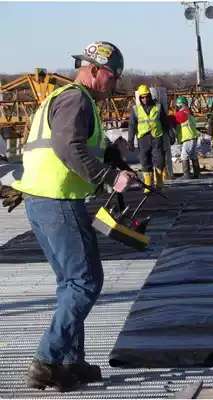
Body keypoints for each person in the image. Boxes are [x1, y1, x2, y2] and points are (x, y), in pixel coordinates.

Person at [10, 41, 136, 392]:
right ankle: (47, 360)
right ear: (95, 70)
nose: (114, 85)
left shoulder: (64, 98)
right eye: (113, 77)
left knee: (70, 283)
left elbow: (69, 143)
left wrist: (111, 155)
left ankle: (69, 362)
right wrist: (111, 178)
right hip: (59, 201)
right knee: (85, 282)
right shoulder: (76, 98)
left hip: (42, 201)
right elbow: (68, 147)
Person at [127, 84, 171, 192]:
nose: (145, 99)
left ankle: (159, 182)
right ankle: (148, 185)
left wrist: (170, 135)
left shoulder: (158, 107)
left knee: (159, 159)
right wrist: (130, 141)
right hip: (143, 139)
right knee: (145, 161)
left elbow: (165, 122)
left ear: (150, 96)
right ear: (139, 98)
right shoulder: (136, 109)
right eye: (142, 97)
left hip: (156, 137)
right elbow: (132, 126)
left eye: (146, 96)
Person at [169, 96, 200, 179]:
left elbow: (173, 118)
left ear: (180, 105)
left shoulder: (183, 113)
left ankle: (186, 174)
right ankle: (196, 173)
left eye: (178, 106)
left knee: (184, 156)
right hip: (192, 137)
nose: (177, 107)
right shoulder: (188, 112)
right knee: (193, 156)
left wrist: (165, 117)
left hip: (188, 138)